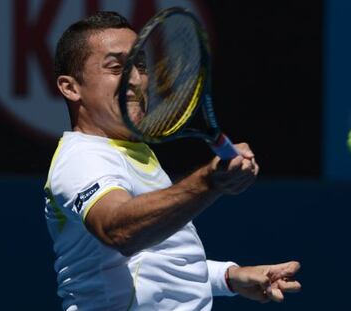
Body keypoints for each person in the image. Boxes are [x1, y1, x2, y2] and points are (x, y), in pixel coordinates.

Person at [45, 11, 301, 311]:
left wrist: (229, 277)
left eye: (140, 65)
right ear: (71, 87)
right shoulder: (82, 157)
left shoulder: (133, 153)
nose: (137, 79)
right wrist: (209, 181)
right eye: (116, 68)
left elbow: (155, 259)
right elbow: (119, 231)